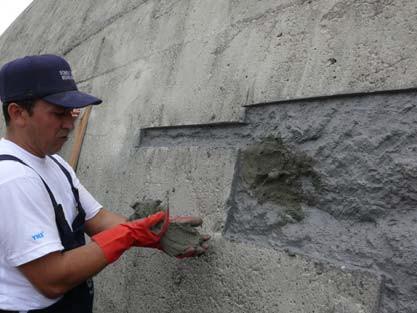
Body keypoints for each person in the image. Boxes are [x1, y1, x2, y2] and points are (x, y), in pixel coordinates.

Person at [0, 54, 208, 313]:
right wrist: (128, 234)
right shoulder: (11, 178)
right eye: (58, 113)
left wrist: (157, 233)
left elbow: (97, 218)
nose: (69, 124)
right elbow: (51, 279)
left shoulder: (55, 164)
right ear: (18, 113)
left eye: (72, 113)